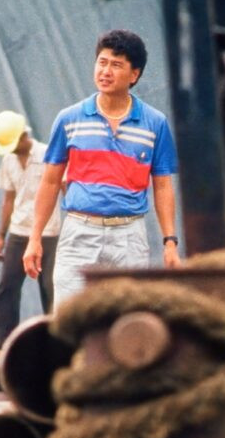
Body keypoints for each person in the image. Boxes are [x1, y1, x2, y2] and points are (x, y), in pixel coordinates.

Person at [23, 29, 181, 303]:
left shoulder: (155, 124)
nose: (106, 71)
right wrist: (34, 238)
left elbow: (164, 186)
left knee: (126, 324)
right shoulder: (69, 119)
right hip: (79, 233)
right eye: (102, 62)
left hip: (129, 237)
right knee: (69, 321)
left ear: (134, 75)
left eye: (116, 65)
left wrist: (170, 242)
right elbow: (49, 182)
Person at [0, 110, 60, 348]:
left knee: (50, 287)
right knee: (6, 288)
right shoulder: (8, 161)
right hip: (19, 232)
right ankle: (3, 342)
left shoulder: (49, 154)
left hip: (49, 232)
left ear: (22, 136)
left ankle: (56, 342)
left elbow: (65, 188)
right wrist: (1, 236)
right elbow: (8, 200)